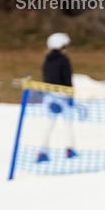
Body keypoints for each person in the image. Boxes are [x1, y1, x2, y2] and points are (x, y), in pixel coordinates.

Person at [39, 33, 77, 161]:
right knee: (68, 124)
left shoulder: (47, 60)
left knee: (49, 124)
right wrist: (70, 96)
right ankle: (70, 150)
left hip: (49, 96)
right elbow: (67, 80)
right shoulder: (64, 60)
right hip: (62, 96)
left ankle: (42, 152)